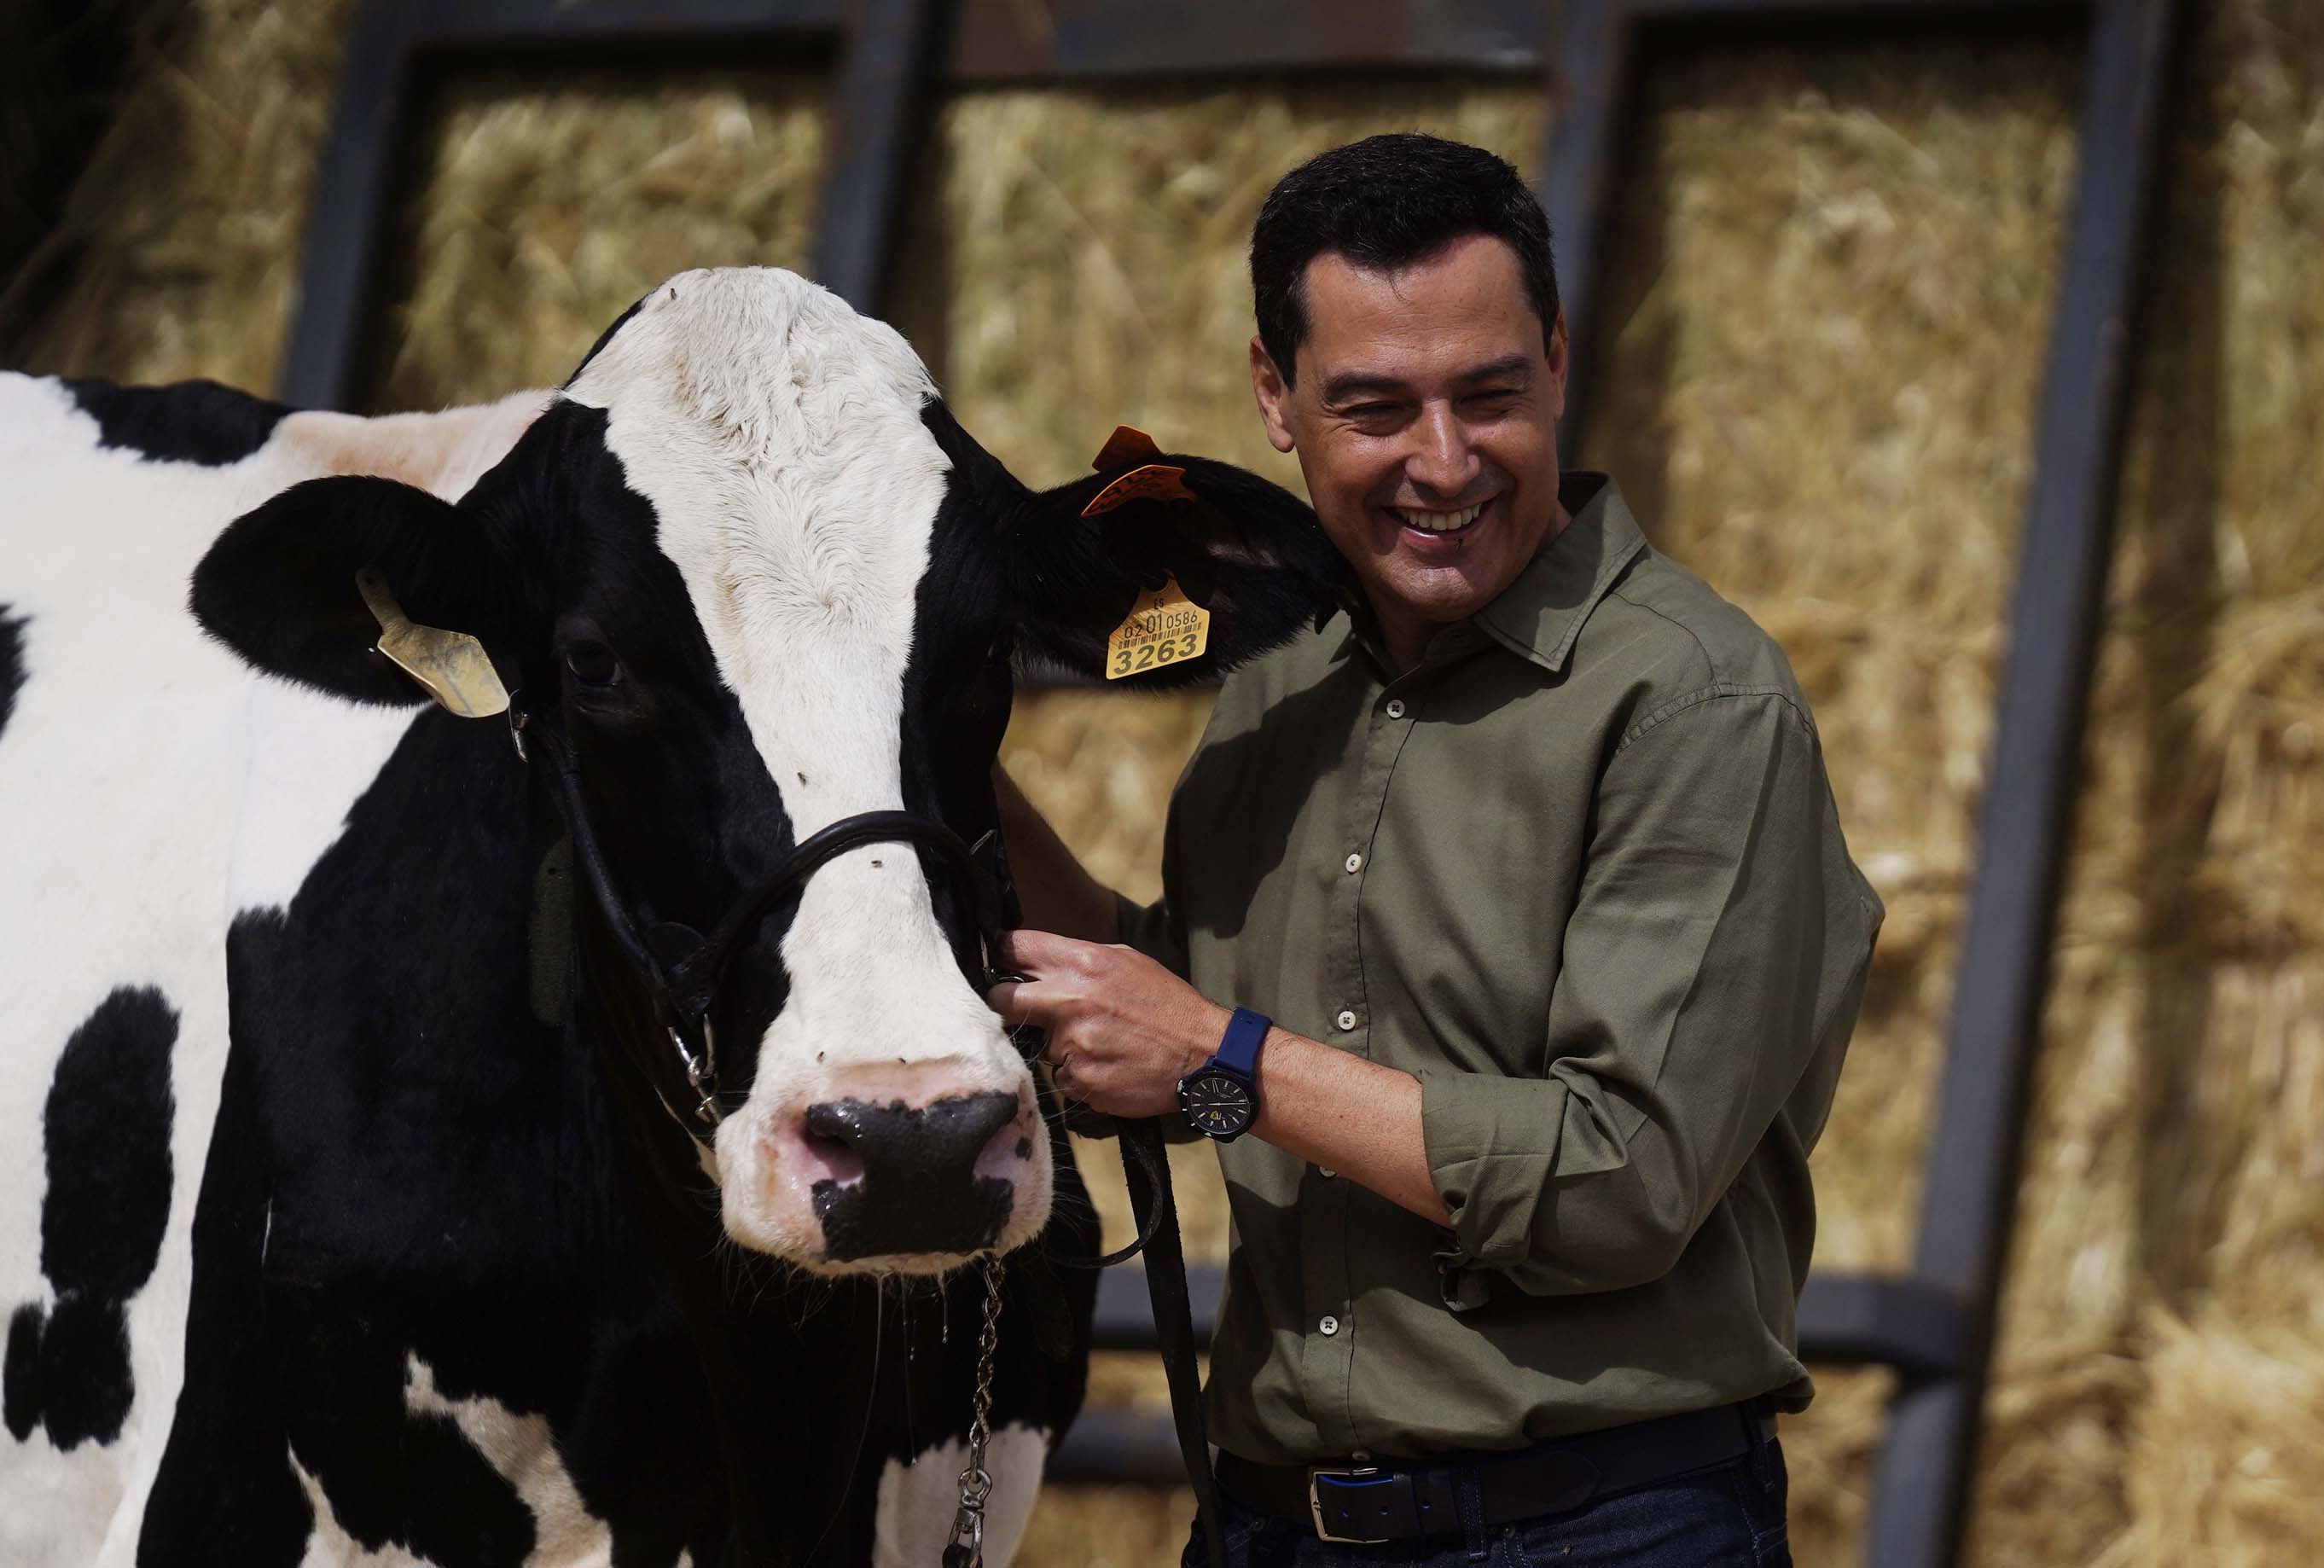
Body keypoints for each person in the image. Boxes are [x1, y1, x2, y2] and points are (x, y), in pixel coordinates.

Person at [990, 133, 1881, 1567]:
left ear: (1559, 358)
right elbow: (1180, 1056)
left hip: (1603, 1530)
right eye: (1376, 407)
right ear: (1275, 401)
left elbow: (1622, 1178)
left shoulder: (1696, 700)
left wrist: (1220, 1055)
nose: (1445, 461)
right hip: (1275, 1527)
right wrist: (949, 760)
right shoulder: (1274, 688)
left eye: (1489, 394)